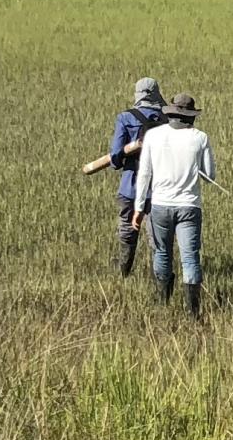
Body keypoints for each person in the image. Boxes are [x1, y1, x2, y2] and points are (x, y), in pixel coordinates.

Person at [132, 92, 215, 317]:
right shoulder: (200, 137)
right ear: (191, 116)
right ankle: (193, 312)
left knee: (162, 254)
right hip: (189, 206)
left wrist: (139, 209)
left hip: (159, 206)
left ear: (171, 113)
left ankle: (162, 302)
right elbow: (210, 177)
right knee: (190, 257)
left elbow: (144, 174)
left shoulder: (153, 136)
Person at [80, 77, 169, 275]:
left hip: (131, 186)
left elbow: (115, 158)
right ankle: (161, 280)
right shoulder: (168, 120)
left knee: (128, 232)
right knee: (157, 237)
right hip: (161, 189)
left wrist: (123, 157)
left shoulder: (125, 118)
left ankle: (124, 271)